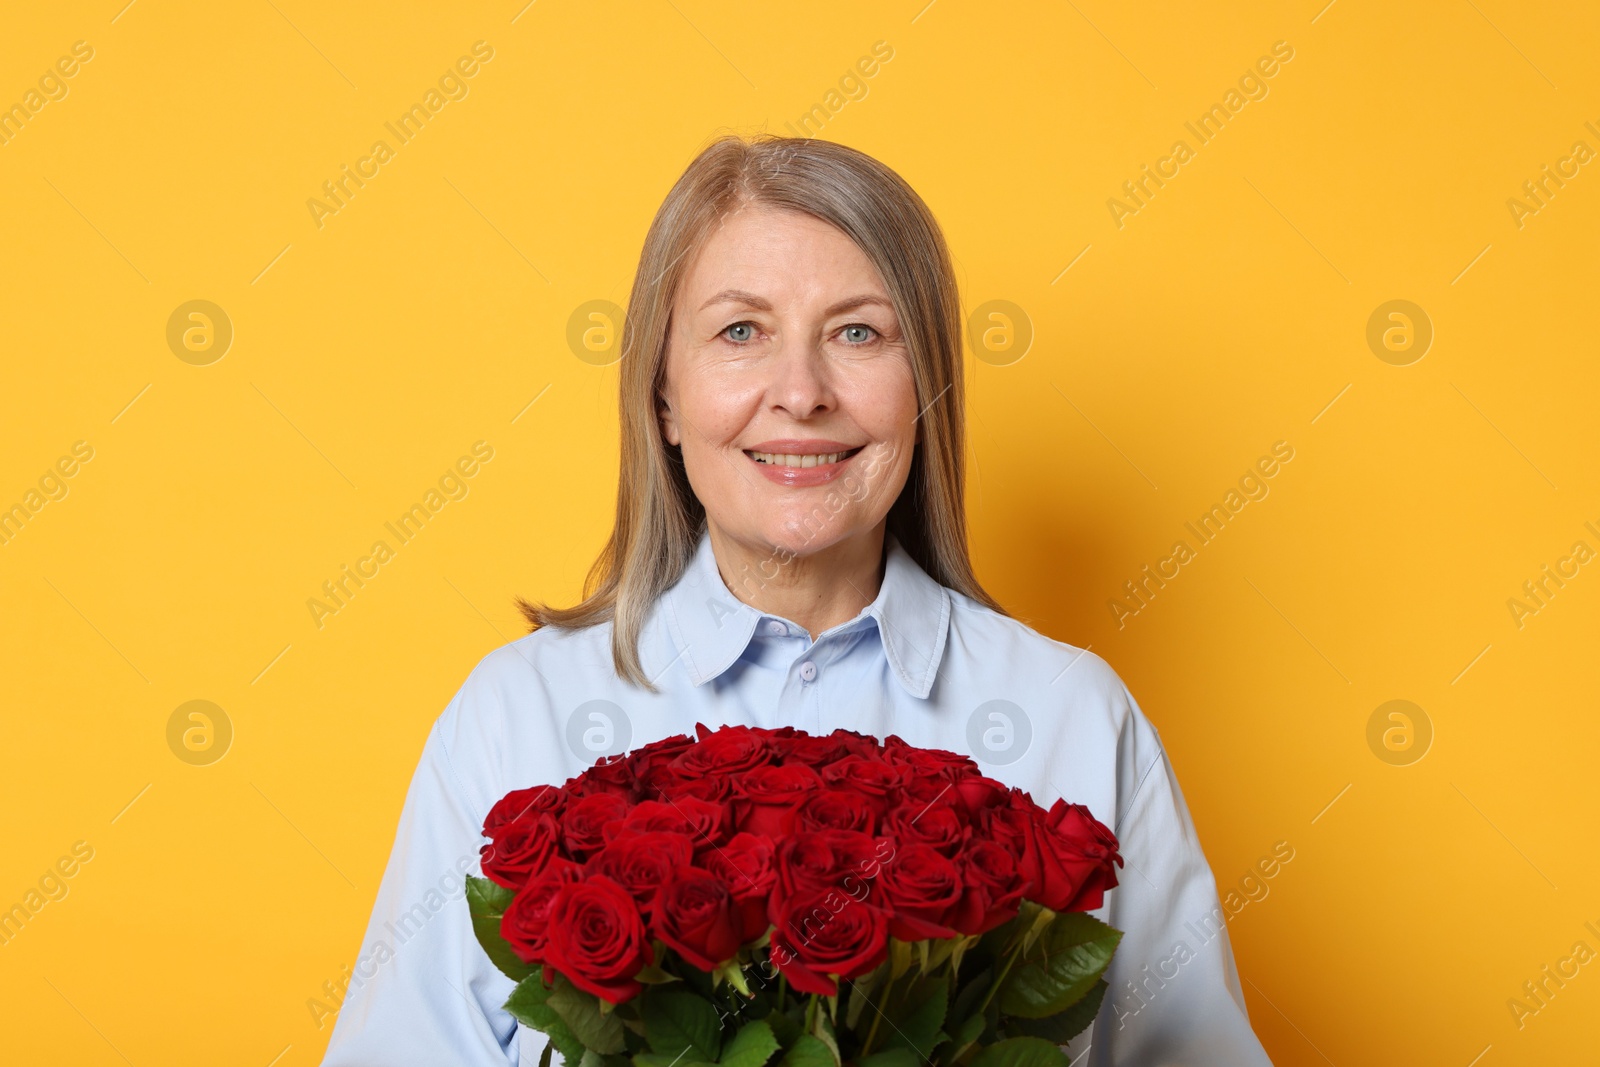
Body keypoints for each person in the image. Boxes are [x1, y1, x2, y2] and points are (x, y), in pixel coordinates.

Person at [320, 134, 1273, 1066]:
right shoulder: (514, 715)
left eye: (858, 332)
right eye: (741, 332)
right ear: (663, 398)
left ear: (926, 388)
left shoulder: (1076, 715)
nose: (802, 392)